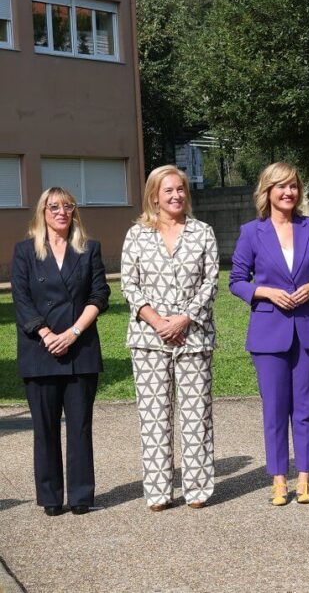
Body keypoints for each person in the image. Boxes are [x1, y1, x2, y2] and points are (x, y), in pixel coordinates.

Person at [230, 162, 309, 506]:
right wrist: (265, 292)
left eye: (293, 186)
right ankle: (279, 480)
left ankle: (305, 479)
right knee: (275, 409)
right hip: (268, 333)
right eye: (281, 186)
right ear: (268, 191)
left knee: (306, 408)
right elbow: (236, 280)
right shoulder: (252, 232)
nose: (288, 192)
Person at [121, 165, 219, 511]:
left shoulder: (203, 232)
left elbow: (211, 282)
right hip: (149, 339)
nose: (176, 195)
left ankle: (197, 489)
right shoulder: (137, 235)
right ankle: (160, 492)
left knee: (196, 416)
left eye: (180, 189)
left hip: (193, 337)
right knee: (154, 416)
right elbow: (129, 285)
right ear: (154, 196)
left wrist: (184, 319)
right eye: (168, 191)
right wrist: (157, 321)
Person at [11, 187, 110, 516]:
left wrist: (72, 333)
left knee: (80, 427)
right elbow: (21, 300)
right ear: (43, 212)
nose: (61, 212)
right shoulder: (25, 251)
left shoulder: (89, 249)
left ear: (74, 212)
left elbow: (99, 295)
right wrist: (46, 333)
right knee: (45, 428)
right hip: (39, 351)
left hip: (80, 350)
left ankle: (81, 495)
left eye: (67, 206)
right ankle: (51, 497)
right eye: (53, 207)